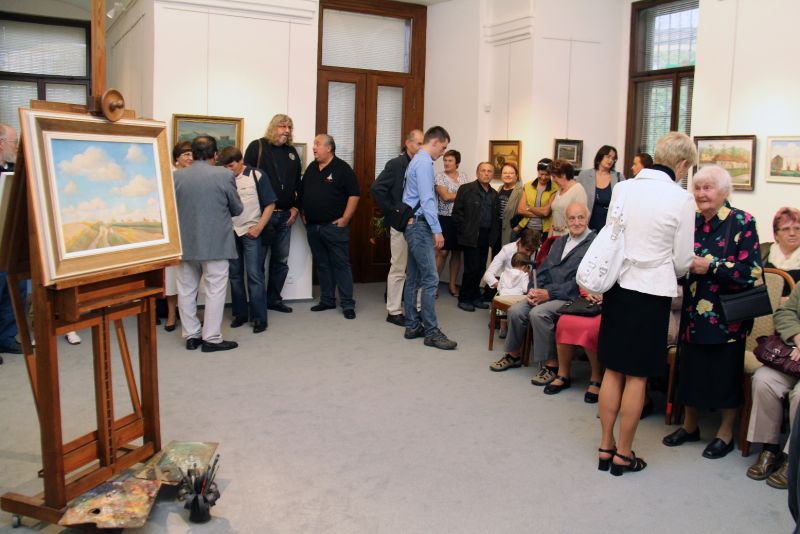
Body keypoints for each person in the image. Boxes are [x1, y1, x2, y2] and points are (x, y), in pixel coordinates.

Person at [597, 131, 697, 476]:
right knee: (637, 376)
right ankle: (624, 454)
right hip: (651, 292)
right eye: (687, 169)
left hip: (618, 287)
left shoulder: (624, 188)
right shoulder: (681, 199)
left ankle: (605, 446)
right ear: (681, 164)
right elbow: (682, 261)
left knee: (613, 370)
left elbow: (612, 236)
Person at [662, 164, 762, 460]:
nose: (701, 193)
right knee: (690, 372)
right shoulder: (690, 221)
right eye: (697, 187)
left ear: (724, 191)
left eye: (708, 187)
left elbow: (752, 272)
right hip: (693, 312)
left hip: (727, 317)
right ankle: (690, 426)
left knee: (724, 376)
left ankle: (725, 433)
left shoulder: (742, 221)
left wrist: (712, 266)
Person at [490, 202, 595, 373]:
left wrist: (549, 293)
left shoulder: (594, 244)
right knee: (516, 311)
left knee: (538, 313)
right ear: (566, 221)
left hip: (571, 297)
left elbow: (583, 282)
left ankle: (551, 365)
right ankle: (513, 355)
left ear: (588, 218)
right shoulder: (560, 242)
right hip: (546, 292)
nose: (576, 222)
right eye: (572, 218)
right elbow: (543, 269)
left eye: (580, 218)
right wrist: (533, 288)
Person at [174, 136, 243, 352]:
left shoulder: (177, 177)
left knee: (186, 290)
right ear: (215, 154)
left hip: (185, 243)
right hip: (216, 243)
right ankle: (211, 338)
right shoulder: (224, 175)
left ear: (193, 154)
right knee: (215, 291)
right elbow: (237, 208)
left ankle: (191, 336)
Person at [402, 126, 457, 350]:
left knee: (414, 277)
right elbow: (427, 199)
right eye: (443, 148)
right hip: (420, 226)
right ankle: (432, 332)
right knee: (431, 279)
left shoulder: (415, 160)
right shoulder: (424, 163)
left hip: (412, 224)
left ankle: (412, 325)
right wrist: (437, 230)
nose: (443, 153)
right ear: (434, 142)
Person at [243, 114, 302, 314]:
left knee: (281, 261)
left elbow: (298, 183)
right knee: (257, 263)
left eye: (289, 127)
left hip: (286, 216)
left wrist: (296, 208)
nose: (286, 130)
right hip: (261, 217)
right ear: (273, 127)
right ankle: (257, 305)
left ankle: (274, 300)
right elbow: (245, 180)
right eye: (282, 126)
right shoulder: (257, 147)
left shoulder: (292, 152)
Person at [299, 134, 360, 319]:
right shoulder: (311, 168)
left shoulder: (342, 169)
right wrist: (303, 212)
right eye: (314, 144)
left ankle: (348, 304)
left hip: (333, 227)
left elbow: (354, 195)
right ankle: (327, 300)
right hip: (313, 227)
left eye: (317, 144)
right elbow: (303, 192)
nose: (314, 148)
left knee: (341, 265)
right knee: (322, 264)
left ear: (329, 148)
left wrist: (345, 218)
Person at [746, 284, 800, 490]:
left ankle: (792, 457)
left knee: (799, 395)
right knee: (763, 380)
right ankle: (769, 447)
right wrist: (797, 337)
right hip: (794, 357)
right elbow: (785, 313)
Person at [219, 146, 277, 333]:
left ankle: (259, 318)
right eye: (225, 167)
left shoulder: (256, 175)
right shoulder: (222, 178)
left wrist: (259, 227)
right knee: (235, 276)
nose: (229, 170)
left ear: (241, 161)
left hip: (252, 232)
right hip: (231, 233)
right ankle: (240, 314)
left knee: (254, 275)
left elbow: (270, 204)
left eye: (231, 166)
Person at [371, 129, 424, 326]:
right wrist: (395, 211)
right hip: (400, 224)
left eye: (424, 144)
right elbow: (376, 188)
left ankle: (416, 308)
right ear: (408, 143)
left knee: (418, 268)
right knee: (399, 267)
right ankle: (393, 311)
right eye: (419, 143)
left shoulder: (424, 164)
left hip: (419, 224)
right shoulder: (396, 164)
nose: (422, 148)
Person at [451, 162, 499, 312]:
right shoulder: (466, 189)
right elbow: (456, 213)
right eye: (483, 171)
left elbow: (495, 218)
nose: (486, 173)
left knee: (481, 268)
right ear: (477, 173)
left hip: (486, 235)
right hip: (470, 235)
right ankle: (464, 298)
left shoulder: (494, 194)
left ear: (492, 175)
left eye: (489, 171)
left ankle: (475, 296)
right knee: (471, 268)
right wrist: (464, 230)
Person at [0, 124, 25, 363]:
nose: (16, 147)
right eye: (14, 142)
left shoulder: (13, 170)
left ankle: (6, 338)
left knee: (14, 292)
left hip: (12, 244)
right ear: (1, 144)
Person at [163, 141, 194, 332]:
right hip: (174, 232)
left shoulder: (195, 176)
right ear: (177, 158)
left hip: (192, 232)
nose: (190, 158)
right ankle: (171, 314)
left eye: (192, 154)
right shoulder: (170, 176)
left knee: (192, 275)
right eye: (186, 155)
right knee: (172, 275)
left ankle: (189, 314)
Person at [434, 149, 468, 297]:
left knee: (457, 252)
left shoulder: (464, 177)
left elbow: (467, 195)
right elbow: (446, 197)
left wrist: (459, 195)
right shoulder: (439, 177)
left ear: (457, 163)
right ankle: (433, 284)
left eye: (450, 161)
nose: (446, 163)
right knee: (442, 252)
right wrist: (462, 195)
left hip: (460, 218)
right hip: (444, 218)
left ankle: (452, 284)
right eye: (445, 160)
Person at [577, 145, 624, 233]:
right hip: (588, 222)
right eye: (608, 157)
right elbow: (576, 199)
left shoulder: (619, 177)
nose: (610, 160)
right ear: (600, 156)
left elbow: (623, 201)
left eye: (613, 158)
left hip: (609, 224)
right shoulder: (584, 175)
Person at [516, 158, 557, 238]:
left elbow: (546, 212)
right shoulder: (527, 186)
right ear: (537, 171)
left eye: (547, 174)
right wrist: (541, 212)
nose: (543, 177)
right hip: (526, 228)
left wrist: (529, 208)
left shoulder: (555, 188)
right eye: (541, 174)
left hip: (545, 231)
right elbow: (520, 210)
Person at [761, 207, 800, 288]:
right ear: (776, 234)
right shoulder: (762, 252)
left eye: (797, 228)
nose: (792, 233)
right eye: (786, 229)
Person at [547, 160, 587, 237]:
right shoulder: (559, 190)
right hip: (556, 235)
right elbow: (555, 216)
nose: (553, 180)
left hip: (570, 236)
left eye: (554, 176)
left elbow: (582, 219)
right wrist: (549, 237)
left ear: (563, 175)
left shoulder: (578, 190)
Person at [495, 162, 525, 254]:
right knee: (497, 256)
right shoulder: (499, 189)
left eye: (511, 173)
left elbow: (524, 212)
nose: (507, 175)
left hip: (511, 231)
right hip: (497, 230)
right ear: (501, 175)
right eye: (505, 173)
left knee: (509, 256)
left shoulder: (521, 191)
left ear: (516, 175)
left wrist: (517, 228)